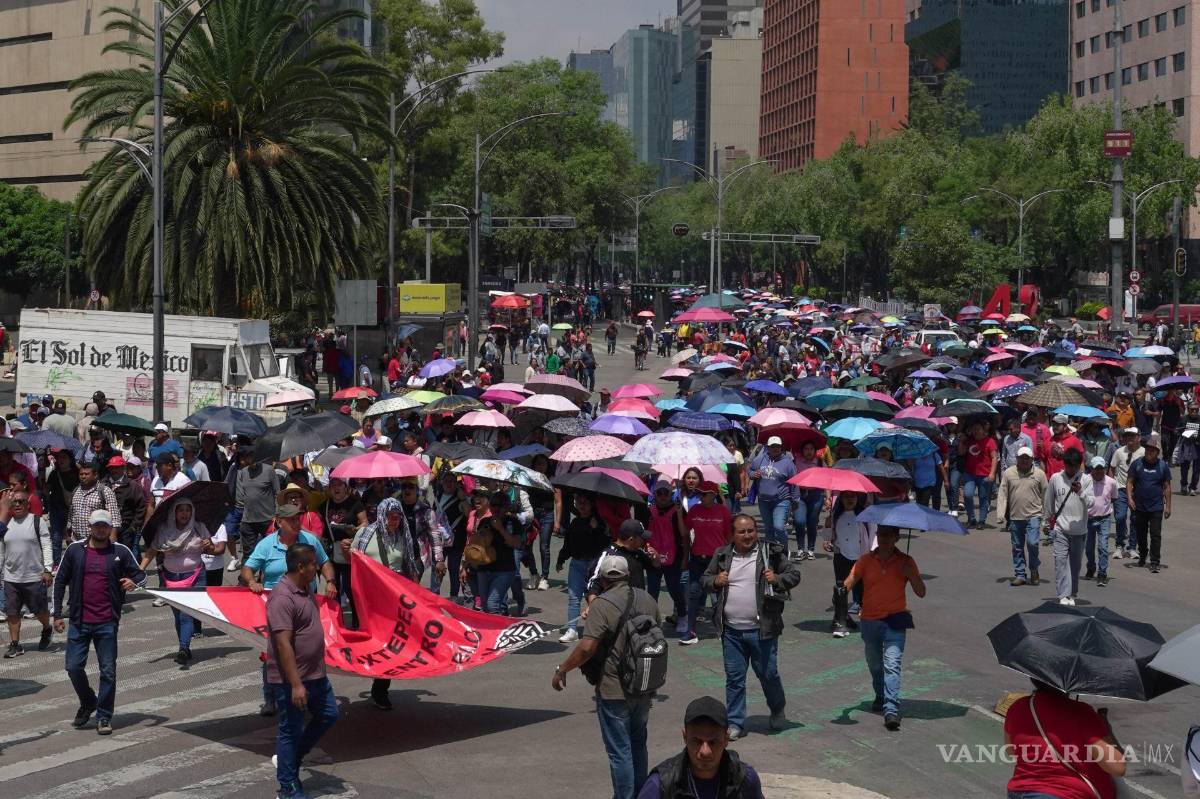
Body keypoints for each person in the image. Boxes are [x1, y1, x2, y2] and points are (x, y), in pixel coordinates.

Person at [551, 554, 661, 799]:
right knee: (637, 744)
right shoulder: (648, 599)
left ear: (602, 579)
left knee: (619, 751)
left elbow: (587, 647)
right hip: (643, 683)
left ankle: (624, 796)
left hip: (614, 687)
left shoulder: (602, 604)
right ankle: (640, 794)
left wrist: (562, 669)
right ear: (628, 575)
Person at [700, 514, 800, 739]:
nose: (747, 536)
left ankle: (777, 710)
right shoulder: (722, 555)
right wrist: (716, 581)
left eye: (751, 531)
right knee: (734, 678)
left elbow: (794, 574)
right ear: (732, 535)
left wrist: (777, 579)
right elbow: (704, 580)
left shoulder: (770, 553)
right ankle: (735, 722)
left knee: (768, 674)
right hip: (731, 632)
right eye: (742, 532)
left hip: (762, 630)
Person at [52, 509, 147, 735]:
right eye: (97, 526)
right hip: (79, 620)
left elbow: (142, 576)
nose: (101, 529)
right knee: (73, 667)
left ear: (110, 527)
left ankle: (104, 716)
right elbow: (60, 581)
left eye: (105, 525)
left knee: (108, 671)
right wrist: (56, 614)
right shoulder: (75, 550)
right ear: (90, 526)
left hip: (107, 621)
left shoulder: (120, 552)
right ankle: (88, 701)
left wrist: (134, 583)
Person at [243, 503, 337, 716]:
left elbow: (324, 562)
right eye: (292, 520)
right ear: (279, 521)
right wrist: (251, 582)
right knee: (275, 653)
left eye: (299, 518)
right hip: (277, 607)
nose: (297, 523)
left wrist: (330, 581)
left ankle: (313, 693)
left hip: (305, 605)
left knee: (307, 650)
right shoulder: (267, 545)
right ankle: (272, 697)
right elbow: (248, 568)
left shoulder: (310, 540)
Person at [266, 542, 340, 799]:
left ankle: (292, 758)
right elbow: (283, 643)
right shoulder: (282, 597)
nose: (316, 567)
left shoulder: (305, 588)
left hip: (316, 673)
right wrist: (296, 685)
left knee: (329, 714)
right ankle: (287, 787)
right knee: (291, 730)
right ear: (300, 566)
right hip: (292, 679)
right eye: (312, 563)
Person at [844, 524, 926, 732]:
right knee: (874, 664)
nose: (884, 539)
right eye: (881, 534)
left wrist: (912, 576)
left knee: (892, 663)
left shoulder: (907, 562)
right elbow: (850, 581)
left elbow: (921, 592)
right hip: (870, 620)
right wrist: (841, 590)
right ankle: (881, 694)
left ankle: (891, 708)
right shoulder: (865, 560)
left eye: (889, 535)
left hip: (896, 619)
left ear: (897, 537)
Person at [1004, 679, 1126, 799]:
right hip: (1064, 793)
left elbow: (1011, 751)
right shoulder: (1082, 713)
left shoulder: (1018, 707)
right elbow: (1117, 767)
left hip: (1020, 790)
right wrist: (1106, 731)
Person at [638, 696, 767, 799]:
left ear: (726, 739)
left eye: (713, 742)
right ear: (685, 737)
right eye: (697, 741)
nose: (705, 751)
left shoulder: (744, 779)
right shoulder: (661, 784)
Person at [138, 498, 212, 666]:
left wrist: (209, 544)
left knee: (186, 613)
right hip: (170, 577)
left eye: (188, 510)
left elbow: (212, 548)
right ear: (174, 512)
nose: (185, 513)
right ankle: (184, 646)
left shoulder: (198, 527)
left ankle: (183, 648)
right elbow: (151, 552)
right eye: (181, 510)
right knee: (178, 615)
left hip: (195, 575)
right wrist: (139, 570)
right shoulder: (164, 530)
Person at [1, 489, 54, 657]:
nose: (17, 504)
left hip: (34, 576)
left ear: (28, 504)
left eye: (21, 501)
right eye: (14, 502)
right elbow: (1, 551)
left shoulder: (37, 522)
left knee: (39, 611)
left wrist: (48, 570)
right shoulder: (5, 524)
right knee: (12, 612)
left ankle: (47, 628)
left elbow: (46, 546)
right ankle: (15, 644)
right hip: (11, 577)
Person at [681, 482, 733, 646]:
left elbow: (730, 536)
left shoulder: (723, 511)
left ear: (713, 494)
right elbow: (684, 533)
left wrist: (730, 557)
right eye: (699, 494)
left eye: (704, 494)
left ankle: (722, 628)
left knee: (718, 596)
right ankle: (691, 631)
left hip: (717, 559)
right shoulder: (694, 510)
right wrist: (677, 513)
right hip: (697, 557)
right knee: (694, 593)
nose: (700, 497)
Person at [556, 493, 611, 643]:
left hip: (594, 565)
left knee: (594, 598)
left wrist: (596, 529)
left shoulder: (600, 522)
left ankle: (599, 628)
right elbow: (568, 544)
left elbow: (606, 544)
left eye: (585, 502)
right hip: (577, 564)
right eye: (578, 502)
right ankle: (572, 629)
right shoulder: (575, 523)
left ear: (592, 504)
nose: (581, 505)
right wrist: (561, 559)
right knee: (574, 597)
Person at [1043, 449, 1093, 606]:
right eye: (1069, 466)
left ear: (1079, 465)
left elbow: (1091, 503)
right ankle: (1063, 595)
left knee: (1075, 565)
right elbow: (1049, 501)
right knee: (1060, 562)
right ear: (1064, 464)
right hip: (1060, 529)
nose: (1071, 469)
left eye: (1075, 466)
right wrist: (1046, 521)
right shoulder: (1056, 478)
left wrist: (1081, 493)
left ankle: (1072, 593)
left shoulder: (1086, 480)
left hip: (1080, 530)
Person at [996, 446, 1047, 588]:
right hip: (1015, 516)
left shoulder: (1039, 474)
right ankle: (1020, 574)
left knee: (1032, 543)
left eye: (1027, 458)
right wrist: (1000, 514)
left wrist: (1047, 517)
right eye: (1021, 457)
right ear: (1017, 459)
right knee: (1017, 546)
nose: (1024, 460)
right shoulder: (1009, 473)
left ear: (1032, 459)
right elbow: (1002, 494)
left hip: (1034, 515)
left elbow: (1046, 495)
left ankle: (1034, 569)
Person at [824, 490, 874, 637]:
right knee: (841, 588)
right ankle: (840, 621)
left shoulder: (865, 516)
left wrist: (873, 553)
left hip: (861, 558)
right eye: (846, 497)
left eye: (853, 496)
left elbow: (873, 535)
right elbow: (828, 529)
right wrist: (827, 539)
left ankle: (867, 620)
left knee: (864, 590)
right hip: (841, 556)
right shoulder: (835, 515)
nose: (850, 499)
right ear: (841, 499)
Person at [645, 481, 688, 636]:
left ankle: (682, 616)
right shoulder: (649, 511)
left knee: (674, 588)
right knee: (652, 591)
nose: (663, 496)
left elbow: (684, 535)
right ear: (654, 495)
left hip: (673, 555)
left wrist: (684, 558)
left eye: (666, 493)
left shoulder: (677, 510)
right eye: (659, 493)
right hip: (653, 555)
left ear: (671, 494)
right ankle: (651, 620)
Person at [1127, 432, 1171, 573]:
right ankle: (1143, 554)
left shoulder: (1163, 466)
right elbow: (1129, 482)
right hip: (1139, 506)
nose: (1149, 452)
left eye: (1152, 450)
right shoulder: (1137, 464)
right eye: (1147, 449)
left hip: (1156, 506)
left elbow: (1167, 487)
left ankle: (1154, 561)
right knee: (1140, 533)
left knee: (1155, 534)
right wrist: (1129, 498)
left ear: (1157, 452)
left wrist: (1168, 507)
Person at [747, 437, 796, 548]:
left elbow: (794, 482)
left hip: (781, 500)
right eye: (772, 446)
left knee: (778, 527)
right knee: (768, 529)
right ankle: (771, 554)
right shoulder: (760, 460)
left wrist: (795, 500)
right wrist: (752, 474)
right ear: (767, 447)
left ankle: (784, 549)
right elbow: (749, 469)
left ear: (781, 447)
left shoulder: (788, 463)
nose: (775, 448)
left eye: (777, 446)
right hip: (763, 500)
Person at [1108, 427, 1144, 560]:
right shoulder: (1119, 452)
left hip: (1138, 491)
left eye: (1132, 436)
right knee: (1120, 517)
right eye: (1127, 436)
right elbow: (1112, 468)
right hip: (1121, 489)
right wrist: (1111, 486)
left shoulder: (1144, 453)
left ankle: (1132, 547)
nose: (1129, 438)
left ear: (1139, 437)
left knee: (1135, 519)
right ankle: (1119, 546)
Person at [66, 461, 122, 547]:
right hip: (77, 541)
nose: (83, 477)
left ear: (95, 475)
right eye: (81, 474)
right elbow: (71, 515)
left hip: (98, 542)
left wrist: (112, 538)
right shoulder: (76, 491)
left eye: (87, 474)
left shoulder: (105, 491)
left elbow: (114, 518)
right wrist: (68, 535)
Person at [959, 420, 998, 529]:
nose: (975, 431)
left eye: (978, 429)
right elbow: (961, 453)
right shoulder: (969, 441)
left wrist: (992, 473)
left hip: (984, 474)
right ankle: (971, 519)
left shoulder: (990, 441)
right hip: (970, 473)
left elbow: (995, 458)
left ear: (983, 430)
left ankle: (981, 520)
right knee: (968, 494)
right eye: (974, 429)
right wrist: (962, 442)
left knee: (983, 498)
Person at [1086, 456, 1117, 588]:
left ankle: (1102, 573)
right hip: (1088, 519)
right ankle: (1091, 566)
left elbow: (1114, 498)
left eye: (1101, 469)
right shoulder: (1085, 480)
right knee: (1088, 548)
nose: (1099, 472)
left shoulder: (1111, 482)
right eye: (1096, 469)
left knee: (1103, 547)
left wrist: (1106, 509)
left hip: (1104, 518)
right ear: (1091, 470)